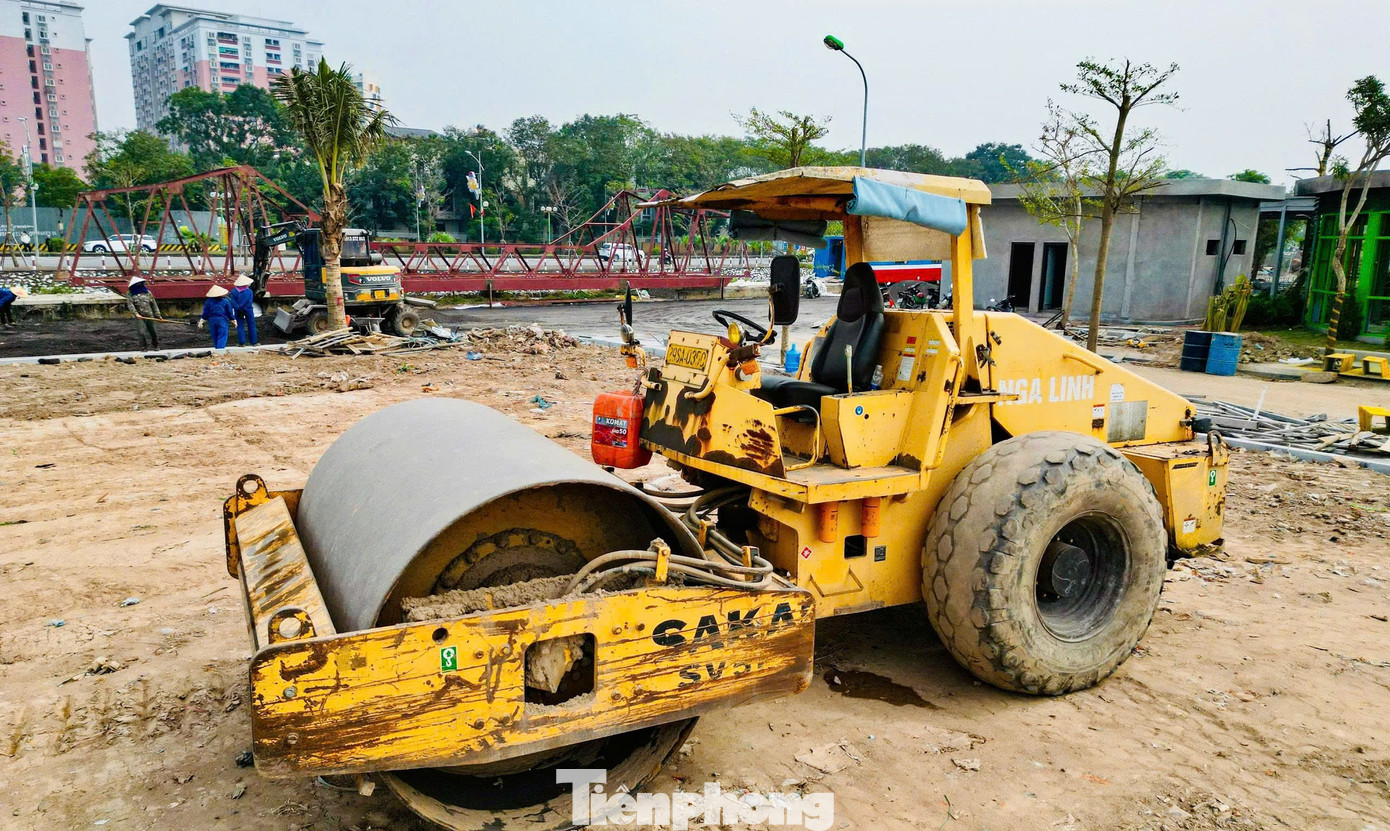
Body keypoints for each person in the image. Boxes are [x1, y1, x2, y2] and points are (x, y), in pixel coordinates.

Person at [125, 276, 161, 350]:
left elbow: (153, 304)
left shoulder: (147, 293)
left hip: (149, 314)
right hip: (139, 316)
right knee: (141, 332)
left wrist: (158, 315)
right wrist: (136, 314)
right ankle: (144, 347)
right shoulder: (130, 294)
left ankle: (155, 345)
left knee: (153, 331)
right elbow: (130, 305)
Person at [198, 285, 235, 350]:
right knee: (222, 335)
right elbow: (229, 312)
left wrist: (202, 320)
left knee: (214, 335)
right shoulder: (225, 301)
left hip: (212, 320)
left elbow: (205, 312)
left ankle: (216, 348)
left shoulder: (208, 301)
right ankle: (220, 350)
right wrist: (233, 319)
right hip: (222, 320)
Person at [229, 275, 258, 346]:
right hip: (248, 310)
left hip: (238, 310)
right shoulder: (249, 291)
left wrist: (238, 308)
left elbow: (233, 302)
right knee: (251, 325)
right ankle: (254, 342)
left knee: (240, 326)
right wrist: (244, 308)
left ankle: (241, 342)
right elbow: (249, 302)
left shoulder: (233, 291)